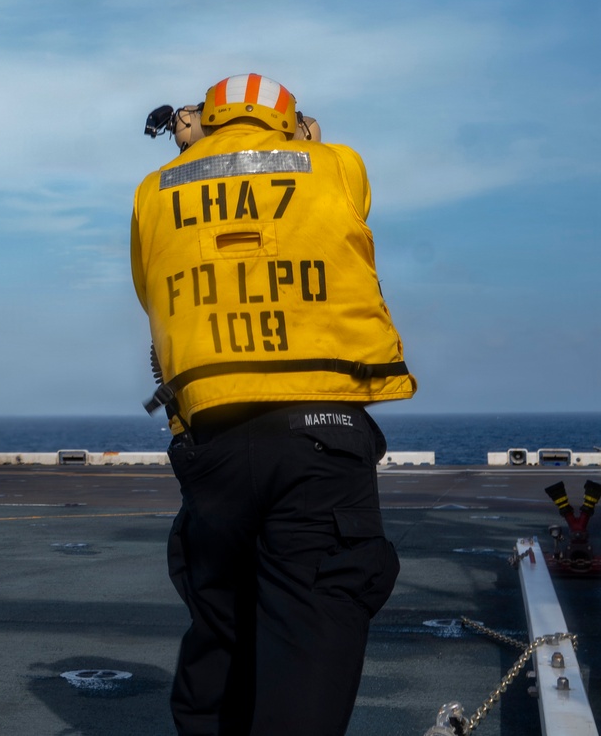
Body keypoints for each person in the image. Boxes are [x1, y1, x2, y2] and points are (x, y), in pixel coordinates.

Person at [131, 73, 416, 736]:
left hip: (214, 443)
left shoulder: (157, 189)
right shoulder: (333, 164)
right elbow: (347, 192)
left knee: (221, 629)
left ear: (205, 118)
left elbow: (151, 290)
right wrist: (307, 137)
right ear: (288, 120)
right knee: (311, 630)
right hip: (322, 434)